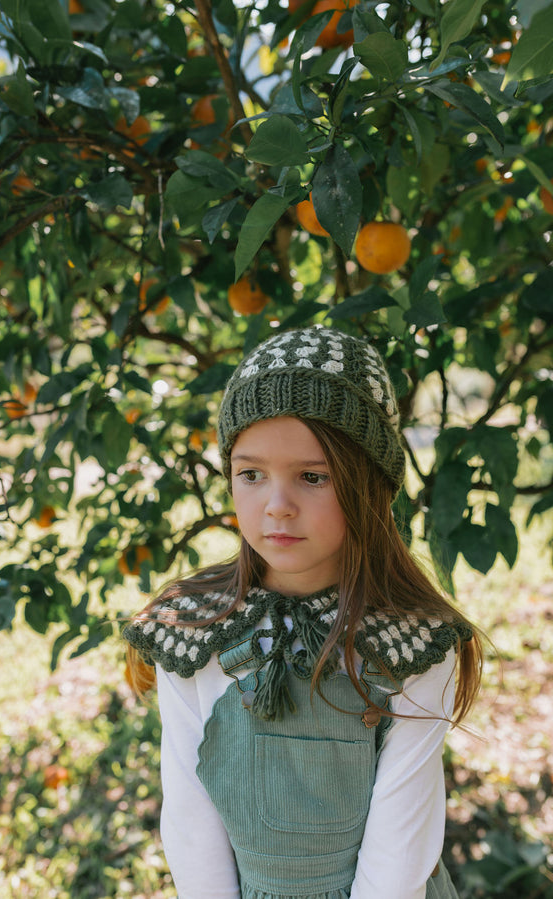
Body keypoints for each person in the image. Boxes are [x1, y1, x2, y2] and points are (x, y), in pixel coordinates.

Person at [123, 325, 482, 899]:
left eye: (313, 477)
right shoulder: (193, 629)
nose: (277, 506)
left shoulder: (411, 642)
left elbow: (400, 851)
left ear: (371, 484)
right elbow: (191, 823)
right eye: (251, 474)